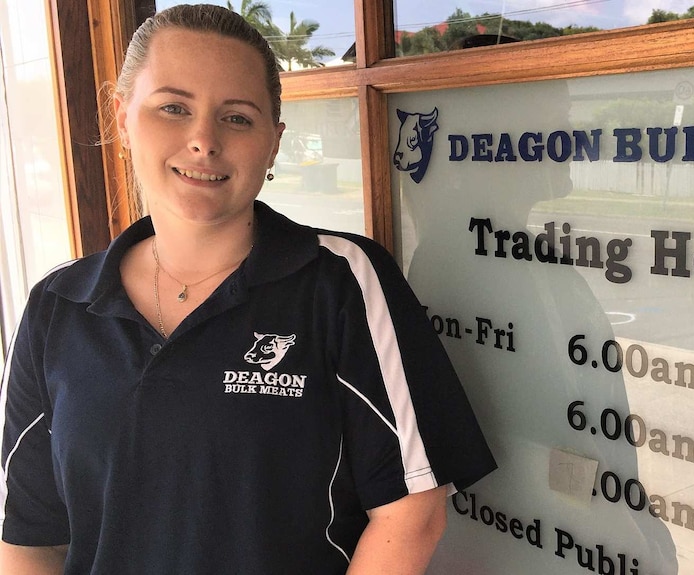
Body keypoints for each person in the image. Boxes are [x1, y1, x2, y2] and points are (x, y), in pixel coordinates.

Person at [0, 4, 496, 574]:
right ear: (121, 118)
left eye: (237, 117)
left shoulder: (342, 283)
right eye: (173, 108)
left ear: (274, 141)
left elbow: (412, 511)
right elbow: (31, 538)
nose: (203, 141)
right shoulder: (56, 306)